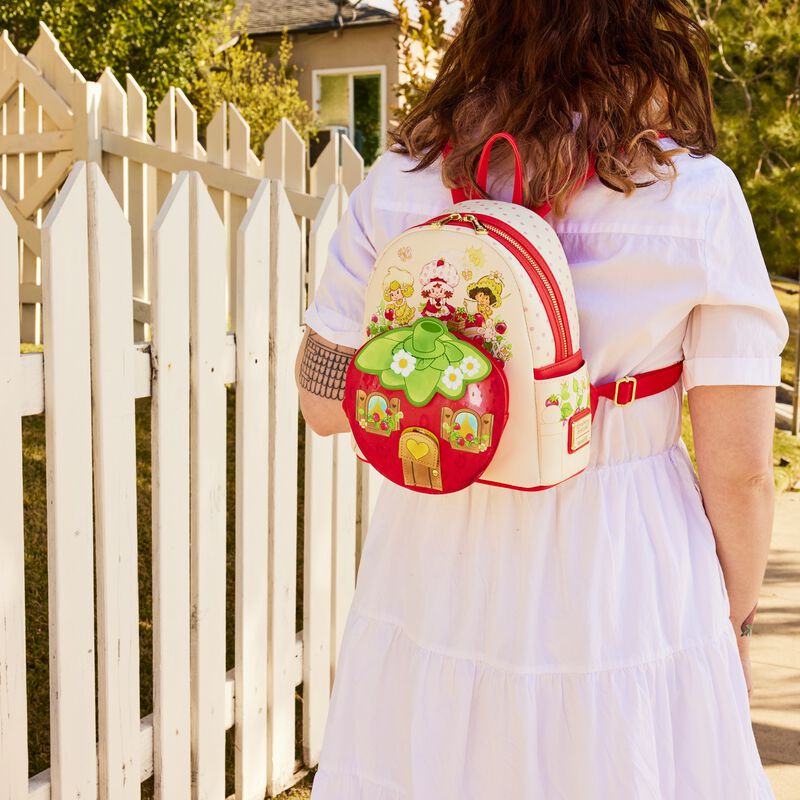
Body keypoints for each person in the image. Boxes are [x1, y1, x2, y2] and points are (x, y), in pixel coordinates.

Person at [294, 1, 790, 796]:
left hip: (439, 545)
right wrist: (728, 621)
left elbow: (324, 402)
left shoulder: (403, 180)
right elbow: (739, 473)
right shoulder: (693, 198)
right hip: (626, 562)